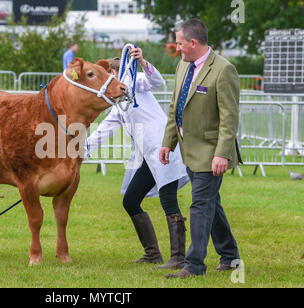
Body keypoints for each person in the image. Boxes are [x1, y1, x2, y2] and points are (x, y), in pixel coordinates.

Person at [86, 47, 190, 268]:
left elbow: (157, 82)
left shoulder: (135, 81)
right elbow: (101, 133)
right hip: (149, 157)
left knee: (168, 198)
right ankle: (152, 253)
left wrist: (142, 61)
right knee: (131, 200)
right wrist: (75, 154)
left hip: (165, 148)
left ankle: (179, 257)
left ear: (113, 73)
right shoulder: (118, 106)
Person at [160, 19, 242, 278]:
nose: (177, 48)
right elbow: (175, 108)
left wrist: (222, 153)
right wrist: (167, 142)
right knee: (210, 204)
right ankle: (229, 256)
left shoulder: (223, 70)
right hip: (189, 150)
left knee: (199, 206)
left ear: (193, 43)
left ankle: (193, 265)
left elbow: (230, 117)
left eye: (180, 43)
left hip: (211, 152)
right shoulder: (183, 65)